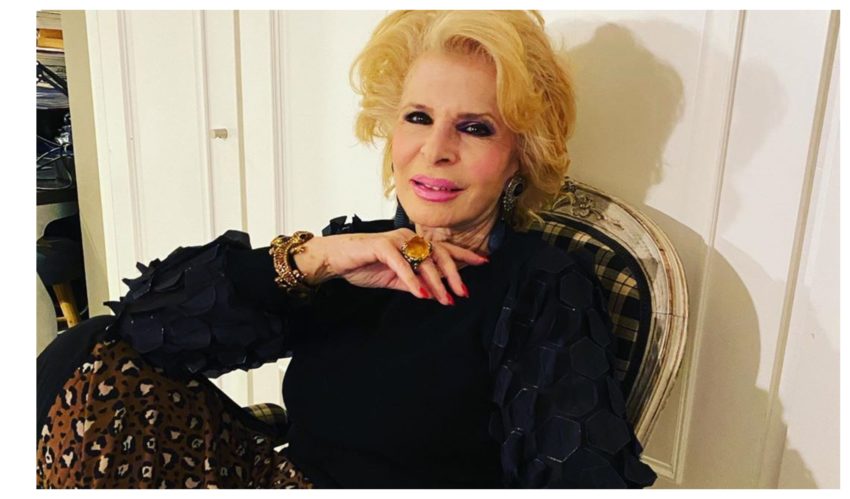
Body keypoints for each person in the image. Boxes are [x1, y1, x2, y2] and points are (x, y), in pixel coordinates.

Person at [36, 10, 657, 488]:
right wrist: (316, 260)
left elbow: (578, 475)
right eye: (418, 117)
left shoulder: (541, 283)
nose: (435, 150)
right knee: (85, 353)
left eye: (475, 127)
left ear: (520, 154)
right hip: (279, 478)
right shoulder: (356, 251)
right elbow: (146, 330)